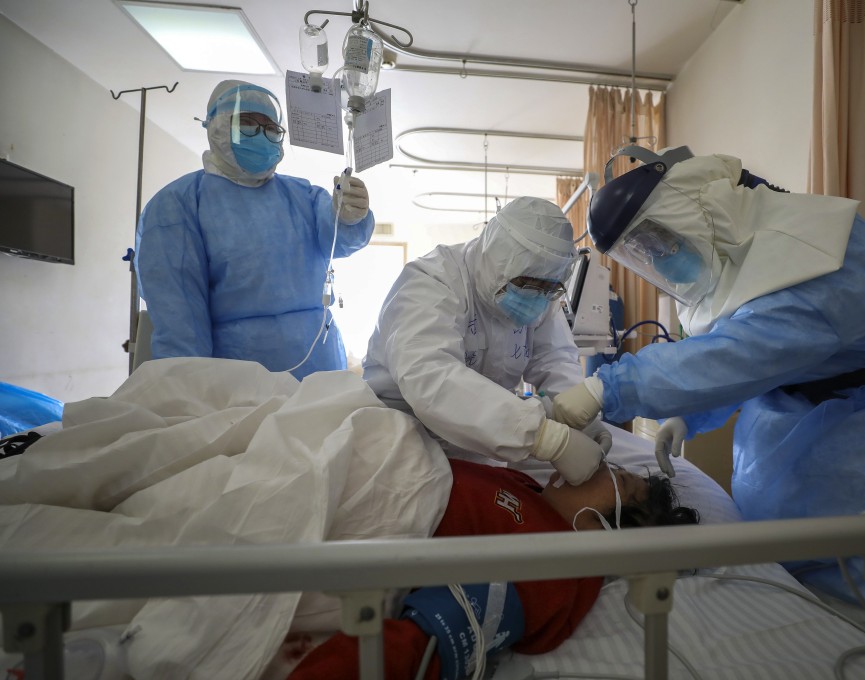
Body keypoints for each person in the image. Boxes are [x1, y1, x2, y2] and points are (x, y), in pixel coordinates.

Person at [551, 147, 865, 626]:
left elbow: (745, 351)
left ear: (697, 210)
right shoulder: (748, 263)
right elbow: (760, 353)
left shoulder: (810, 263)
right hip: (821, 431)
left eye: (655, 240)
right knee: (804, 590)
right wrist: (689, 415)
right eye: (641, 252)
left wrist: (605, 389)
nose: (657, 259)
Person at [286, 458, 700, 680]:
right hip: (355, 463)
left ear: (607, 528)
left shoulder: (553, 571)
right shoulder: (531, 489)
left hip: (356, 515)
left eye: (618, 478)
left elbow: (421, 644)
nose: (600, 465)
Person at [361, 197, 611, 486]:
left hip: (488, 436)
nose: (538, 297)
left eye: (549, 288)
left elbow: (552, 359)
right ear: (494, 260)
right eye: (528, 285)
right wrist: (545, 437)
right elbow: (431, 377)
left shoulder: (541, 296)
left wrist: (578, 417)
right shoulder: (431, 282)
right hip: (405, 437)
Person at [135, 80, 375, 380]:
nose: (262, 135)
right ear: (217, 127)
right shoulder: (179, 205)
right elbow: (180, 324)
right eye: (247, 123)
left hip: (319, 369)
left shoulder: (302, 195)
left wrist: (352, 217)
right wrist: (191, 394)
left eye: (271, 128)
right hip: (235, 383)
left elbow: (341, 240)